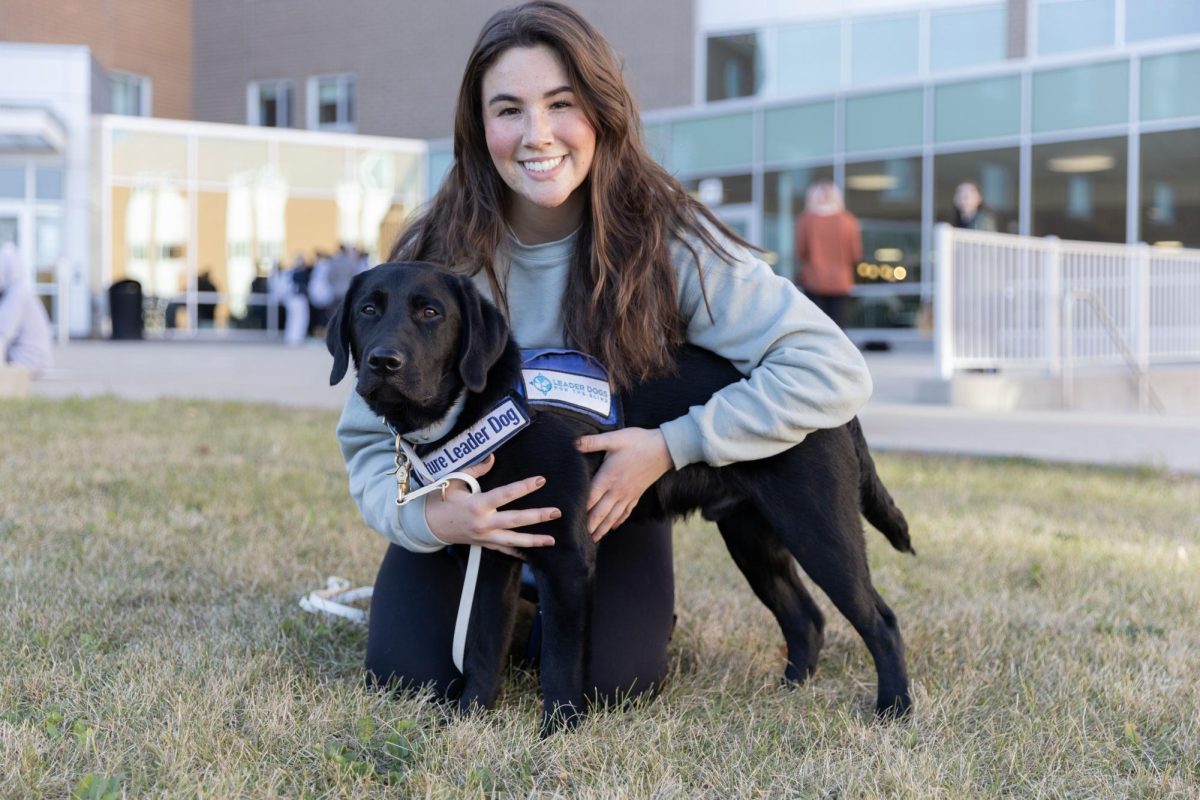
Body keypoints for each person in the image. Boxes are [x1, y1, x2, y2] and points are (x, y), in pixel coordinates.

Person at [336, 0, 872, 707]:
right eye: (508, 110)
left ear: (601, 111)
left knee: (614, 683)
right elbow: (370, 444)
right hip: (469, 510)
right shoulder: (440, 262)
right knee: (409, 678)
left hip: (610, 505)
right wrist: (432, 520)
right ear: (479, 127)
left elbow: (831, 368)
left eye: (561, 104)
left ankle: (606, 606)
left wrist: (673, 445)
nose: (537, 135)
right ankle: (509, 592)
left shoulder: (666, 241)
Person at [793, 181, 861, 330]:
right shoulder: (848, 220)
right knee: (838, 326)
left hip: (814, 280)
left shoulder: (806, 219)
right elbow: (855, 253)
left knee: (816, 325)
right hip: (841, 281)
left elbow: (800, 252)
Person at [0, 243, 53, 376]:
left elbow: (3, 333)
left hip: (25, 360)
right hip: (29, 359)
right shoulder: (18, 291)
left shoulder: (17, 295)